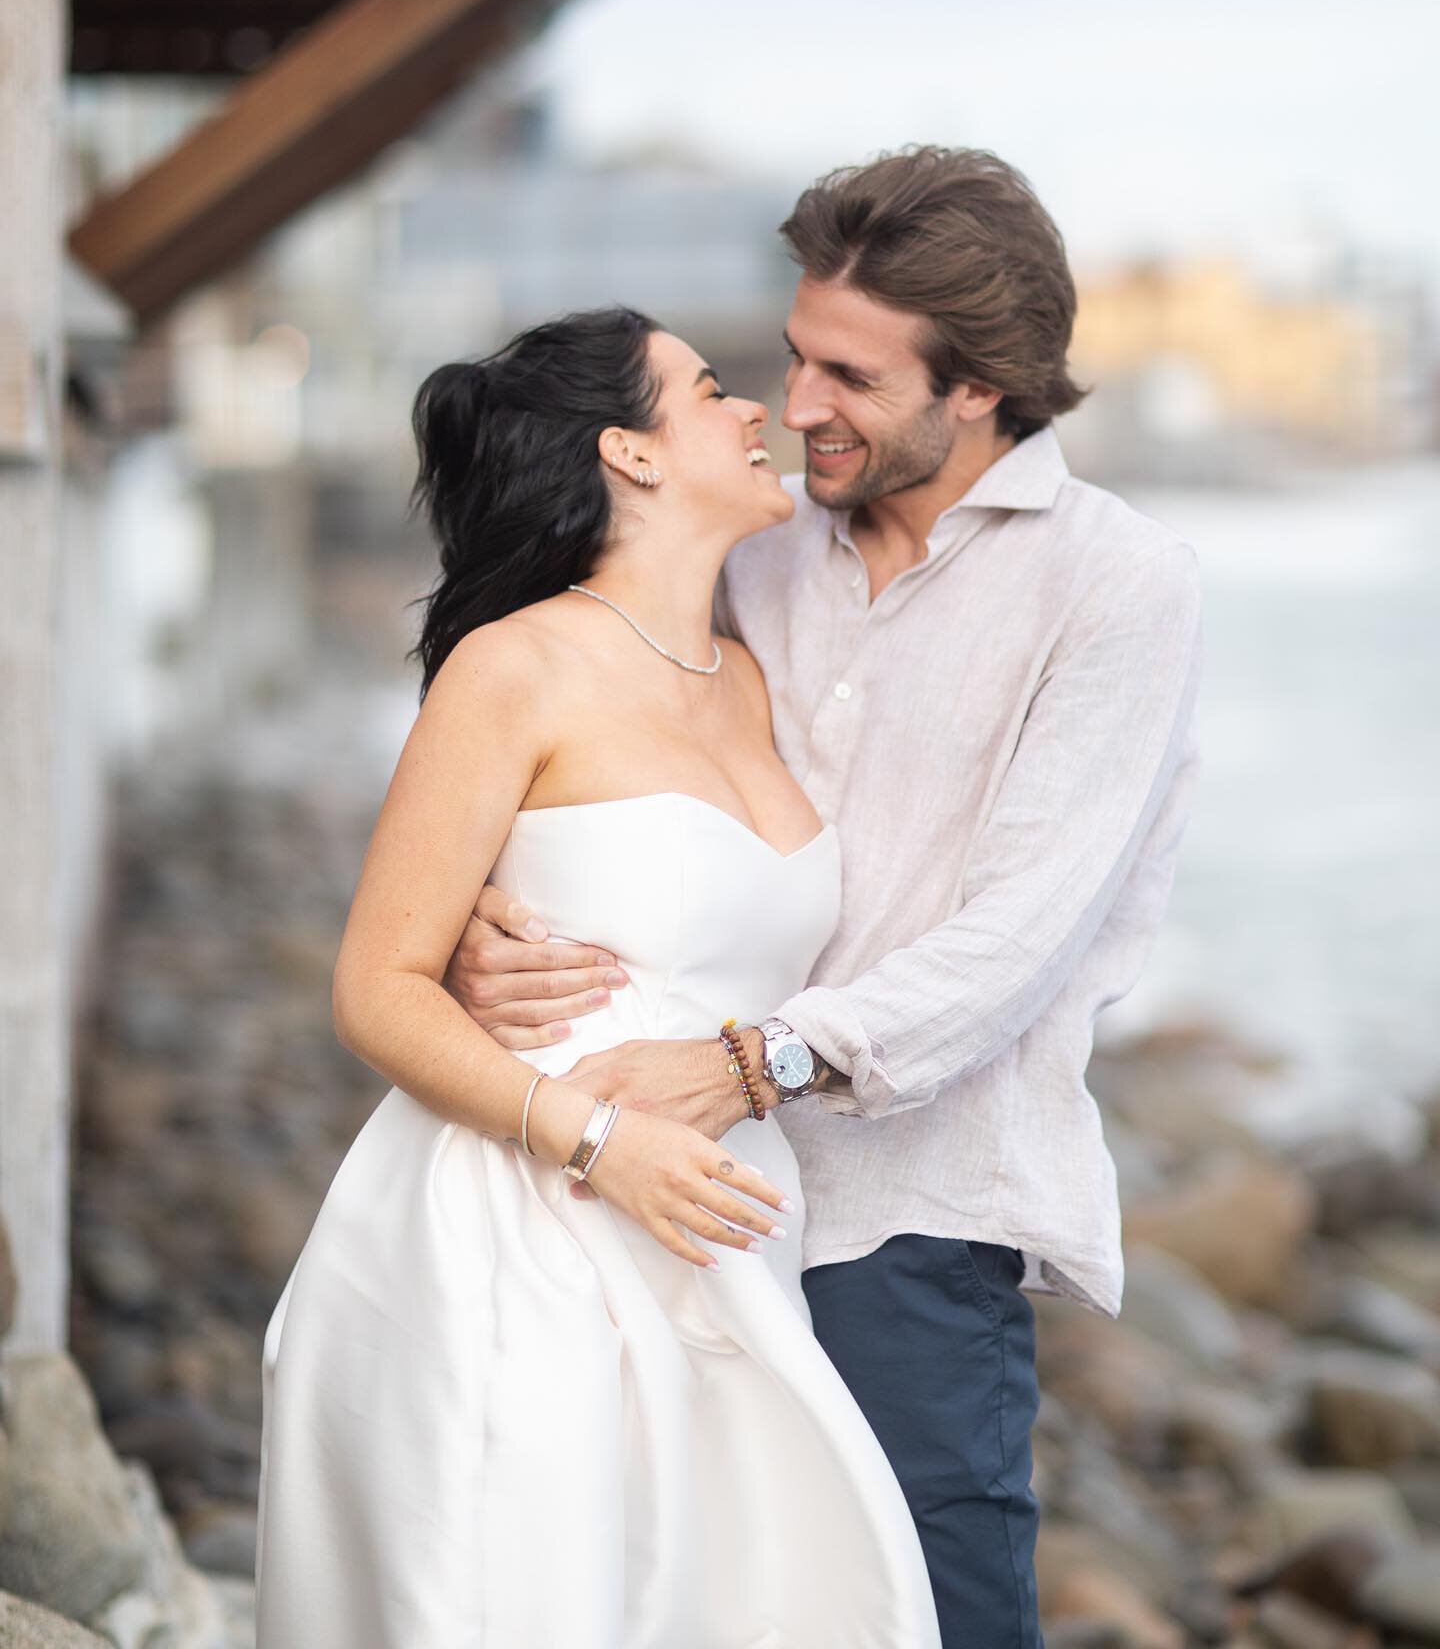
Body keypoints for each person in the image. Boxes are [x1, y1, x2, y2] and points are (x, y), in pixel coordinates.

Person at [449, 147, 1204, 1648]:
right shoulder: (764, 546)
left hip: (908, 1214)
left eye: (846, 376)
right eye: (793, 358)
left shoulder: (1119, 588)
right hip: (670, 1193)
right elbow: (572, 705)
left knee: (932, 1612)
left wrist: (750, 1065)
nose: (797, 407)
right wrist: (481, 896)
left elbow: (1016, 939)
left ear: (978, 385)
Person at [254, 306, 941, 1647]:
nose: (756, 412)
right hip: (525, 1228)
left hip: (729, 1220)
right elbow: (376, 984)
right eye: (706, 392)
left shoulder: (748, 677)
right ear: (628, 454)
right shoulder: (512, 668)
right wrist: (599, 1140)